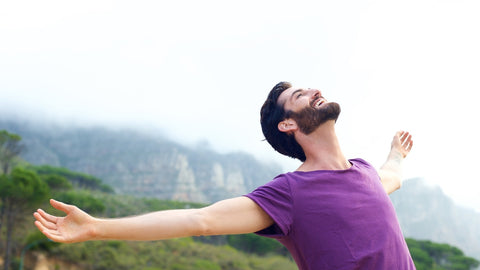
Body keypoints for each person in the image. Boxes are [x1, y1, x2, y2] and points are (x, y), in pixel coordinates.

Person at [34, 81, 415, 269]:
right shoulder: (291, 194)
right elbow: (200, 220)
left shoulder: (364, 172)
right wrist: (98, 227)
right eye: (300, 96)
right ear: (288, 125)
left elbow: (390, 178)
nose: (314, 90)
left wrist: (396, 155)